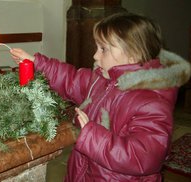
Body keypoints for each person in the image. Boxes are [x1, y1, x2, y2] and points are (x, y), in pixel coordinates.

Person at [10, 12, 191, 181]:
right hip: (84, 172)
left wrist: (89, 135)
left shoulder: (151, 102)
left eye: (104, 49)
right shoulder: (101, 80)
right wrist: (36, 63)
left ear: (133, 54)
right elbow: (70, 79)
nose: (95, 55)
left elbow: (142, 157)